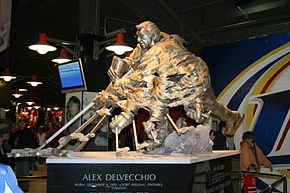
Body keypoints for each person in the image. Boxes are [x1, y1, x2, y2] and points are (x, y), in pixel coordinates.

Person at [8, 120, 38, 192]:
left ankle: (25, 186)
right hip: (18, 154)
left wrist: (30, 150)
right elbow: (10, 141)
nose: (22, 124)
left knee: (25, 170)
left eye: (23, 123)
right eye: (20, 123)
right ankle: (19, 185)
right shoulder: (16, 133)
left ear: (25, 124)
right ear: (19, 124)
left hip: (26, 154)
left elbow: (34, 143)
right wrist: (14, 143)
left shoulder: (29, 133)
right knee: (18, 170)